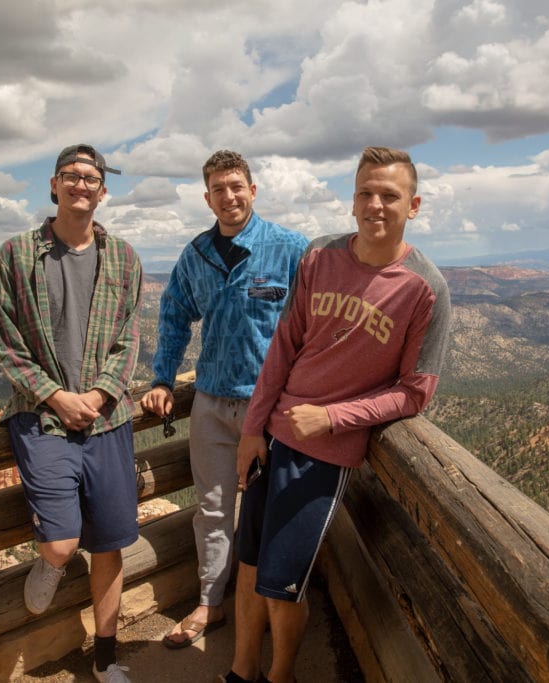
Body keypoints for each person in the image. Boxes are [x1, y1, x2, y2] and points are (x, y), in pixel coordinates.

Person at [219, 146, 452, 683]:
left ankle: (279, 677)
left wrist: (333, 418)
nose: (375, 204)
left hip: (322, 457)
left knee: (282, 585)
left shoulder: (425, 288)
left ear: (412, 206)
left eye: (389, 195)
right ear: (352, 201)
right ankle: (240, 673)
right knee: (250, 569)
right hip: (271, 440)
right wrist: (253, 429)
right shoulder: (320, 257)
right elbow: (285, 343)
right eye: (365, 193)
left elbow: (416, 393)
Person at [141, 150, 309, 649]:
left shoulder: (289, 248)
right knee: (213, 511)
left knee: (271, 513)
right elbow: (173, 316)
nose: (229, 196)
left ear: (252, 191)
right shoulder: (197, 256)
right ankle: (212, 603)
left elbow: (315, 326)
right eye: (218, 188)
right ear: (207, 197)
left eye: (237, 186)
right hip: (212, 404)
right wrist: (162, 380)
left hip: (273, 408)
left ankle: (271, 604)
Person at [0, 144, 142, 683]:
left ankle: (106, 653)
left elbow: (128, 339)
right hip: (42, 416)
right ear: (53, 186)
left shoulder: (123, 257)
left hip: (109, 420)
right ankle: (51, 560)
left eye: (91, 178)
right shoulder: (15, 254)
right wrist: (57, 395)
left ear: (103, 191)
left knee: (109, 544)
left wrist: (99, 396)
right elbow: (7, 344)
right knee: (61, 540)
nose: (81, 185)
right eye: (71, 176)